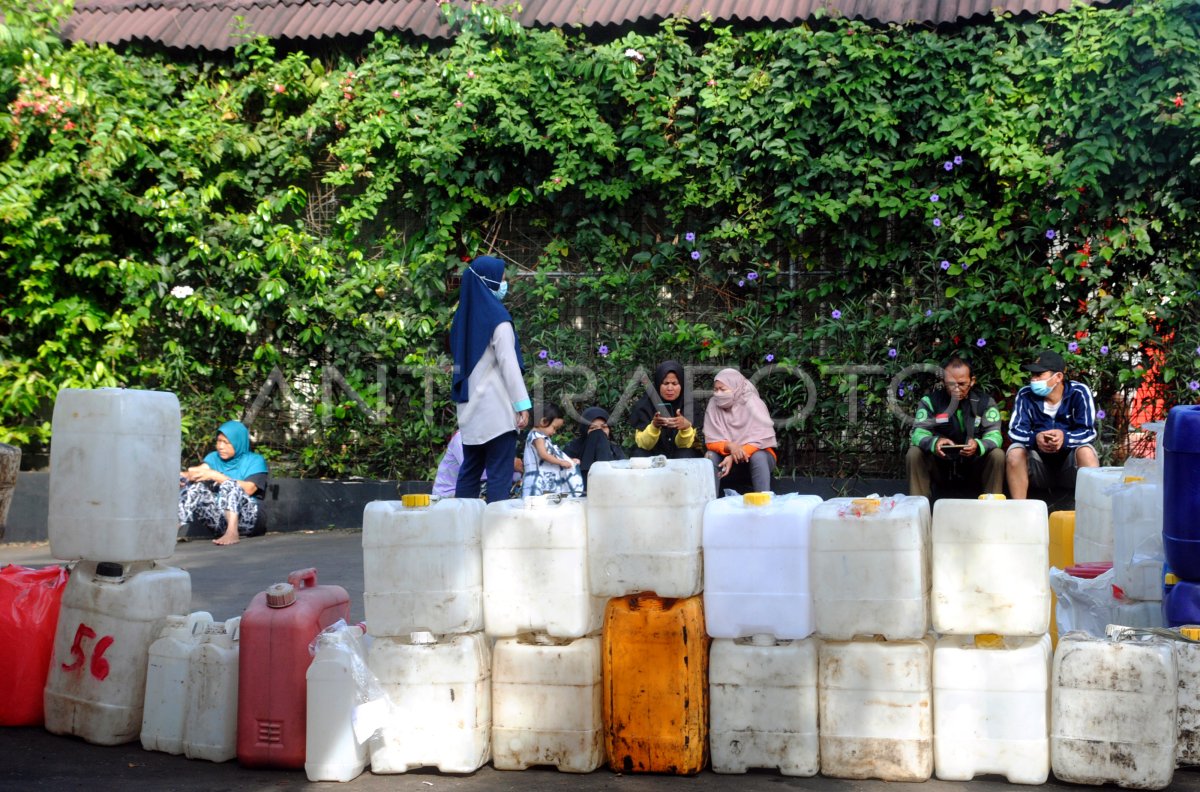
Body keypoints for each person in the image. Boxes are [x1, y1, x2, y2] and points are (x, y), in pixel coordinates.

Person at [449, 254, 531, 503]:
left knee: (470, 471)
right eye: (502, 279)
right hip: (496, 412)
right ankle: (496, 532)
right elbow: (509, 365)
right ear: (489, 282)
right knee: (499, 474)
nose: (505, 284)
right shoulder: (499, 320)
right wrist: (522, 404)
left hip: (469, 411)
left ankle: (462, 527)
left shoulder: (460, 322)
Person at [906, 354, 1005, 501]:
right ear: (943, 381)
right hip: (940, 466)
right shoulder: (930, 402)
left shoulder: (985, 402)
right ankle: (918, 509)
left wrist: (978, 445)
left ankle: (992, 509)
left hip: (974, 467)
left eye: (962, 384)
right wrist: (935, 443)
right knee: (914, 453)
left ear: (972, 381)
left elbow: (995, 435)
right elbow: (918, 433)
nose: (956, 389)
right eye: (951, 384)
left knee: (997, 455)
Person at [1006, 349, 1100, 499]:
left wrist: (1065, 437)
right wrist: (1035, 439)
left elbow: (1089, 432)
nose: (1033, 379)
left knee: (1086, 452)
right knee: (1015, 452)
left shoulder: (1079, 392)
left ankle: (1093, 509)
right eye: (1032, 375)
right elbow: (1015, 431)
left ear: (1058, 377)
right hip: (1038, 466)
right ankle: (1019, 510)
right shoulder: (1025, 395)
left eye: (1039, 374)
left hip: (1069, 466)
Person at [179, 420, 268, 546]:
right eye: (218, 441)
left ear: (238, 443)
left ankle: (232, 533)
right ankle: (170, 531)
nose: (220, 446)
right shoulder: (214, 457)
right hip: (220, 522)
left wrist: (217, 476)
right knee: (196, 489)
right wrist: (183, 477)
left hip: (249, 520)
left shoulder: (255, 460)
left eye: (226, 443)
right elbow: (199, 471)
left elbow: (249, 489)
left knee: (229, 484)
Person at [704, 368, 777, 495]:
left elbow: (761, 440)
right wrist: (730, 446)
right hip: (725, 461)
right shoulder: (713, 404)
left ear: (736, 387)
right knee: (710, 456)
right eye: (716, 390)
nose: (718, 394)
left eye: (723, 389)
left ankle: (764, 504)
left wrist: (733, 455)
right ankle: (709, 504)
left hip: (756, 461)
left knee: (759, 456)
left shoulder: (753, 403)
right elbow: (711, 441)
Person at [628, 360, 704, 458]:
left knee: (686, 453)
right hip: (653, 455)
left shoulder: (689, 404)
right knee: (639, 454)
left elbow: (684, 445)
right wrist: (654, 426)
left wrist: (685, 428)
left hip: (680, 455)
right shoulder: (645, 405)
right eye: (665, 383)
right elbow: (644, 444)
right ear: (658, 384)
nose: (670, 388)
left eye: (674, 383)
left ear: (681, 384)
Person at [432, 430, 522, 499]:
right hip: (447, 496)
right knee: (497, 490)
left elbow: (512, 476)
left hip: (478, 488)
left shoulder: (493, 437)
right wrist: (509, 463)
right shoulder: (462, 437)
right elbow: (474, 472)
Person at [521, 404, 584, 497]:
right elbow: (544, 455)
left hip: (544, 477)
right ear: (543, 421)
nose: (554, 432)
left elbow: (553, 454)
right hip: (537, 477)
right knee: (534, 502)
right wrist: (561, 462)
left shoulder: (542, 437)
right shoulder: (537, 437)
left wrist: (569, 460)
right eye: (554, 428)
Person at [561, 406, 626, 491]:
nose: (599, 432)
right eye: (593, 428)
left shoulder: (614, 450)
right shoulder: (573, 448)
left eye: (604, 427)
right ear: (585, 430)